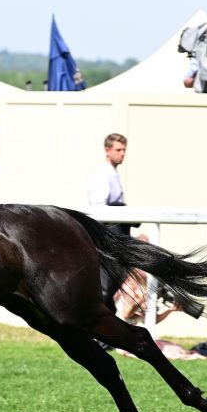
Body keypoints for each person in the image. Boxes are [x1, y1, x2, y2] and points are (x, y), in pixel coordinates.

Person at [88, 133, 132, 312]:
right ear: (107, 150)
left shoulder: (112, 173)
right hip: (107, 236)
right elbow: (99, 207)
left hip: (114, 234)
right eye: (118, 150)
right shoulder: (102, 174)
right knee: (105, 286)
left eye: (124, 150)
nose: (122, 154)